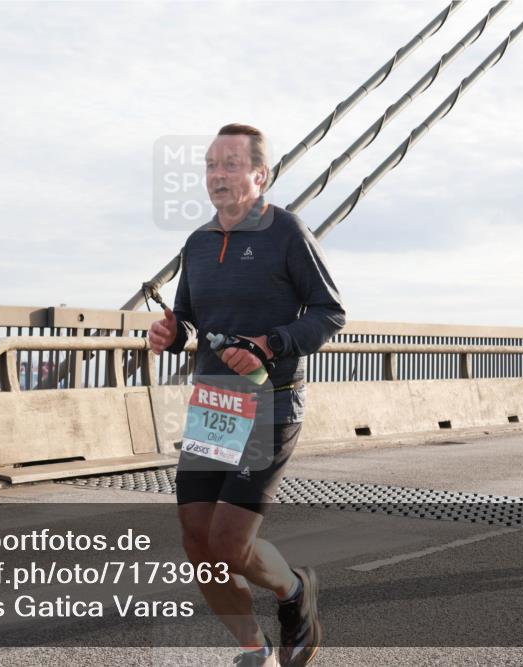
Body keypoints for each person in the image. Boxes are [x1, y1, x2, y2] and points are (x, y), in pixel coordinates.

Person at [149, 124, 346, 667]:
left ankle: (294, 591)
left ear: (260, 175)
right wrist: (174, 335)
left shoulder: (288, 232)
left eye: (230, 165)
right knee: (198, 542)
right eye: (211, 165)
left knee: (229, 543)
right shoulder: (198, 243)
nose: (217, 175)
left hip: (271, 402)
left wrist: (269, 344)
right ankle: (254, 650)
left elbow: (330, 313)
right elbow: (190, 320)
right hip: (217, 405)